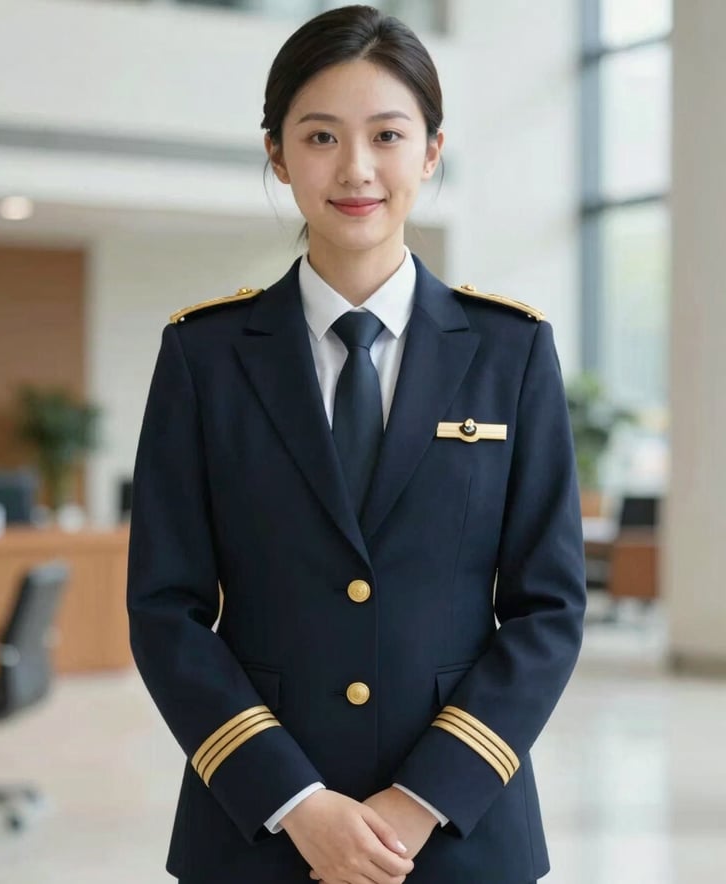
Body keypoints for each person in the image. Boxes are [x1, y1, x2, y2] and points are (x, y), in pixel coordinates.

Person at [126, 5, 586, 883]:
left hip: (461, 836)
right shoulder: (206, 357)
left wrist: (421, 801)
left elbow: (549, 609)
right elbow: (166, 610)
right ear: (277, 155)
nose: (357, 169)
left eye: (387, 134)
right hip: (255, 836)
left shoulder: (511, 352)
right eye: (321, 136)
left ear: (432, 151)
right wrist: (295, 803)